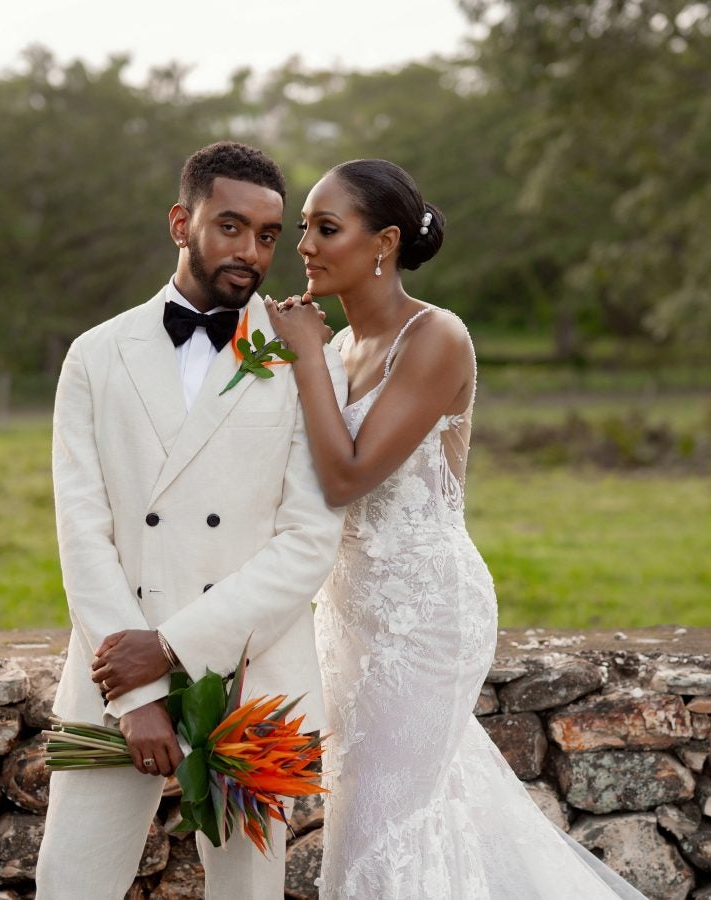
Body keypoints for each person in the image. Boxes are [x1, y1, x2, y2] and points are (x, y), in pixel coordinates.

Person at [265, 159, 647, 899]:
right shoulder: (341, 349)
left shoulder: (436, 337)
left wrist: (304, 354)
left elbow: (348, 476)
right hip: (350, 613)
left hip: (425, 615)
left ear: (385, 242)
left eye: (326, 227)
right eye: (304, 228)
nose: (304, 245)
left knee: (386, 824)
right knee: (397, 810)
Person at [35, 142, 347, 900]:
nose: (251, 251)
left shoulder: (301, 354)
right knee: (70, 883)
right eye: (230, 227)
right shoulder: (95, 355)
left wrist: (171, 649)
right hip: (114, 674)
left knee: (247, 893)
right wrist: (136, 694)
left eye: (269, 236)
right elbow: (83, 531)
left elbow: (308, 540)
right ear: (182, 221)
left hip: (249, 677)